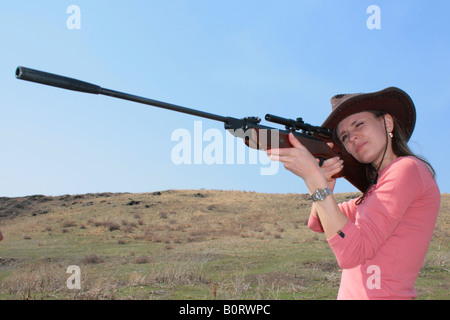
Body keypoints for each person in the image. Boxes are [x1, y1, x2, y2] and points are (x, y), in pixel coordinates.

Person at [267, 87, 440, 300]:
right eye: (345, 136)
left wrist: (314, 180)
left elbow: (351, 253)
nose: (352, 138)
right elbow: (318, 222)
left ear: (387, 123)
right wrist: (326, 184)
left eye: (358, 125)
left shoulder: (406, 169)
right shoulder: (375, 190)